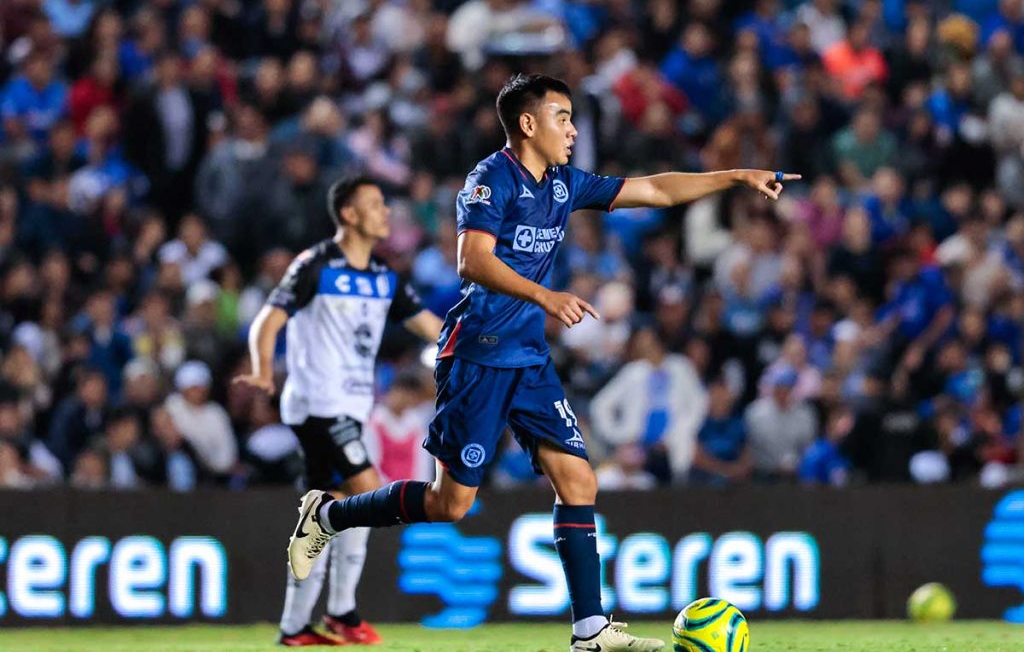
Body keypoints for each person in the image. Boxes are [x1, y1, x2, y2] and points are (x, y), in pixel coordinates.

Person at [284, 73, 797, 652]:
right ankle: (328, 517)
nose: (574, 130)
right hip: (478, 354)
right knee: (449, 504)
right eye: (563, 117)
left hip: (529, 360)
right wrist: (545, 296)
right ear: (528, 125)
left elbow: (654, 190)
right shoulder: (489, 181)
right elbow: (472, 261)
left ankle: (590, 632)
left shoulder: (562, 184)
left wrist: (735, 177)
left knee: (579, 479)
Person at [235, 174, 443, 646]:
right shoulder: (315, 264)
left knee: (326, 511)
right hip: (317, 403)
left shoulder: (383, 276)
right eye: (375, 204)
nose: (386, 213)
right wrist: (264, 368)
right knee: (367, 493)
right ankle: (343, 612)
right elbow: (269, 319)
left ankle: (294, 627)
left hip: (350, 406)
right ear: (348, 215)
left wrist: (470, 348)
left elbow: (428, 324)